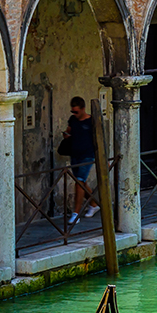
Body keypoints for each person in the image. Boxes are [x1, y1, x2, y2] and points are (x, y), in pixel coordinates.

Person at [62, 96, 99, 226]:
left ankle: (76, 214)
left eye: (76, 112)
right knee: (82, 183)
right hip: (75, 155)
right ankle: (94, 204)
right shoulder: (72, 120)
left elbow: (98, 139)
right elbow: (68, 131)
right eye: (73, 111)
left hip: (87, 155)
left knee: (79, 182)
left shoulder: (91, 122)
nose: (75, 114)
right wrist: (66, 135)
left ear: (83, 109)